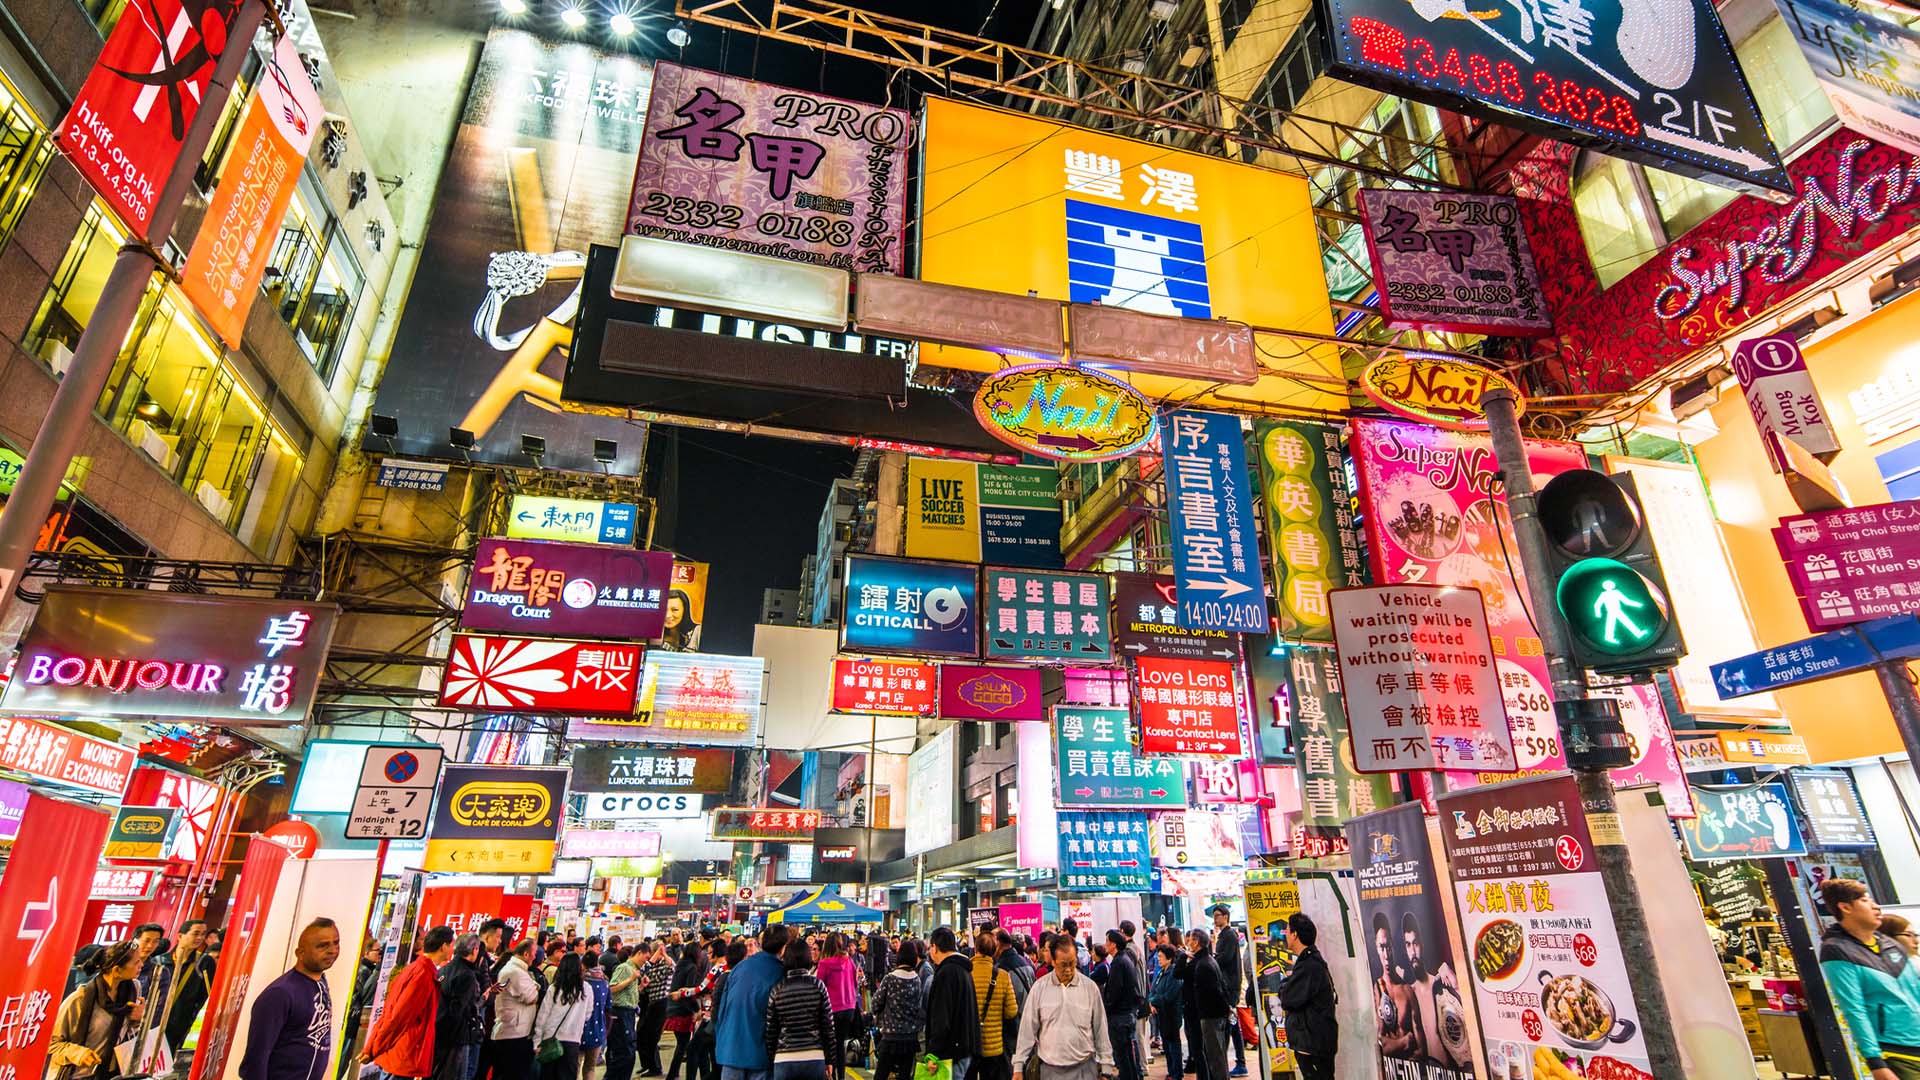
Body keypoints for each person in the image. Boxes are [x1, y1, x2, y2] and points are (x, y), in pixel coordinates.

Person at [1819, 878, 1920, 1080]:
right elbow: (1854, 1009)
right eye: (1865, 900)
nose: (1875, 906)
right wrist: (1875, 1061)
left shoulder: (1890, 944)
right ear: (1845, 907)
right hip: (1896, 1052)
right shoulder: (1837, 951)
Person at [241, 918, 341, 1080]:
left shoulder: (321, 983)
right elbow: (256, 1058)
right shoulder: (280, 994)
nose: (332, 950)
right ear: (300, 953)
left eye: (336, 943)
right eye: (322, 945)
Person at [1009, 935, 1113, 1080]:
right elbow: (1027, 1030)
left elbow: (1100, 1029)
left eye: (1072, 963)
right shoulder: (1039, 988)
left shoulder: (1090, 988)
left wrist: (1107, 1067)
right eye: (1063, 964)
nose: (1069, 970)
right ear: (1053, 960)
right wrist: (1018, 1066)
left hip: (1085, 1070)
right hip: (1050, 1070)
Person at [362, 925, 454, 1080]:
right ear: (443, 946)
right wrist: (373, 1047)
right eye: (451, 945)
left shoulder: (419, 969)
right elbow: (398, 1017)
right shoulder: (422, 974)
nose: (452, 949)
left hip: (405, 1053)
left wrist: (374, 1046)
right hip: (405, 1054)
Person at [49, 939, 147, 1080]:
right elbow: (52, 1044)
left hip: (114, 1073)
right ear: (117, 970)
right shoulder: (80, 1000)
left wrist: (137, 1020)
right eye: (136, 962)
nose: (141, 965)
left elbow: (127, 1034)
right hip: (78, 1075)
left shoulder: (133, 990)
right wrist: (78, 1053)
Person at [715, 924, 792, 1080]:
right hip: (760, 1055)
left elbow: (721, 1009)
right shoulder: (781, 973)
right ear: (784, 948)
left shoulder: (739, 967)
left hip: (730, 1050)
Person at [763, 937, 836, 1080]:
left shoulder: (777, 989)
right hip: (814, 1056)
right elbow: (828, 1027)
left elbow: (771, 1031)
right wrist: (830, 1059)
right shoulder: (818, 986)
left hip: (784, 1058)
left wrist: (774, 1056)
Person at [1276, 914, 1337, 1080]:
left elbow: (1288, 998)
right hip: (1312, 1043)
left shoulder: (1309, 965)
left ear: (1295, 934)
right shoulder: (1308, 963)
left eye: (1287, 930)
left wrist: (1284, 987)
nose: (1285, 934)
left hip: (1313, 1045)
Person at [1399, 913, 1461, 1069]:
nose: (1412, 951)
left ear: (1422, 944)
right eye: (1408, 945)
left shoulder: (1441, 984)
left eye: (1415, 944)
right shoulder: (1410, 992)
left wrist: (1455, 982)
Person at [151, 918, 219, 1053]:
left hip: (181, 1024)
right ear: (180, 936)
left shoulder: (204, 962)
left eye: (203, 934)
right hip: (154, 1022)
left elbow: (205, 997)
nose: (200, 938)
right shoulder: (159, 961)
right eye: (196, 933)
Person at [926, 927, 982, 1080]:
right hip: (965, 1048)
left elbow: (941, 1017)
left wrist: (933, 1053)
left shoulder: (946, 973)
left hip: (950, 1054)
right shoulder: (964, 970)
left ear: (935, 947)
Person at [536, 954, 596, 1080]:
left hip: (550, 1040)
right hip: (573, 1041)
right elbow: (588, 1014)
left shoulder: (555, 988)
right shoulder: (586, 989)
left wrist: (536, 1041)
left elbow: (543, 1015)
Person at [873, 941, 926, 1080]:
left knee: (881, 1075)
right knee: (904, 1075)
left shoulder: (890, 978)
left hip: (891, 1037)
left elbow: (875, 1003)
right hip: (910, 1038)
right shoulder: (917, 979)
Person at [491, 939, 543, 1080]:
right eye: (533, 953)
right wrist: (535, 987)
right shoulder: (515, 971)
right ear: (526, 954)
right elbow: (532, 997)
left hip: (516, 1030)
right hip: (513, 1032)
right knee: (512, 1072)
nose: (535, 957)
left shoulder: (517, 970)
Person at [436, 934, 487, 1080]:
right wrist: (482, 999)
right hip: (457, 1038)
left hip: (439, 1033)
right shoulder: (467, 975)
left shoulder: (444, 970)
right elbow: (460, 1010)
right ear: (474, 950)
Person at [1366, 914, 1417, 1058]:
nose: (1386, 954)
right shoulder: (1377, 989)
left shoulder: (1407, 990)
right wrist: (1404, 1042)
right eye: (1381, 947)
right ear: (1376, 948)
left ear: (1393, 946)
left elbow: (1422, 1050)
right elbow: (1380, 1046)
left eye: (1388, 947)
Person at [972, 931, 1020, 1080]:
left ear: (975, 948)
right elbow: (1011, 1012)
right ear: (994, 950)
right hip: (994, 1047)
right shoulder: (1002, 976)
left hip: (970, 1045)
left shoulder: (965, 973)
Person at [1181, 930, 1228, 1080]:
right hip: (1213, 1014)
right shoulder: (1208, 961)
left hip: (1210, 1015)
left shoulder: (1203, 964)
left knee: (1215, 1057)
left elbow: (1214, 991)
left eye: (1191, 940)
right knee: (1214, 1055)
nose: (1188, 943)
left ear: (1196, 942)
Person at [814, 933, 861, 1080]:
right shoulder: (849, 961)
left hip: (831, 1009)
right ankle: (841, 1076)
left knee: (828, 1044)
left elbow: (819, 987)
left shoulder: (824, 964)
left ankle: (830, 1074)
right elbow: (855, 983)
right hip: (849, 1008)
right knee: (840, 1044)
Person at [666, 937, 713, 1080]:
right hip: (683, 1011)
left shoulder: (681, 964)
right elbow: (690, 992)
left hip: (673, 1009)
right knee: (685, 1046)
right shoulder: (692, 967)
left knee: (683, 1045)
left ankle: (673, 1074)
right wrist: (696, 1010)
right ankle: (673, 1074)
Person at [1096, 932, 1141, 1080]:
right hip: (1126, 1014)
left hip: (1121, 1017)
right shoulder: (1124, 959)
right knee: (1127, 1054)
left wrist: (1107, 1009)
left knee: (1124, 1055)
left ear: (1114, 944)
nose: (1105, 944)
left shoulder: (1119, 962)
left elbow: (1115, 991)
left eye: (1107, 941)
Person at [1207, 909, 1243, 1078]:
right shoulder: (1224, 935)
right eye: (1213, 916)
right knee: (1233, 1024)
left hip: (1229, 987)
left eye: (1217, 916)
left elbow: (1225, 958)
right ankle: (1239, 1062)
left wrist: (1212, 960)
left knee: (1231, 1025)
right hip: (1228, 985)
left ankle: (1239, 1063)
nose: (1215, 919)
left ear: (1226, 917)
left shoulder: (1229, 936)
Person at [342, 939, 385, 1077]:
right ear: (367, 952)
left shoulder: (370, 970)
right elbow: (363, 997)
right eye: (377, 950)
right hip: (354, 1022)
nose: (380, 953)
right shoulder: (365, 971)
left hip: (356, 1023)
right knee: (344, 1059)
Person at [636, 940, 676, 1077]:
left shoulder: (664, 964)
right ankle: (648, 1065)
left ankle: (655, 1068)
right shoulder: (652, 966)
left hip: (661, 1003)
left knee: (652, 1037)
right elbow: (643, 972)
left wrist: (663, 954)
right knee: (644, 1035)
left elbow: (672, 967)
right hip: (652, 1004)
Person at [1149, 944, 1185, 1080]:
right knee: (1167, 1044)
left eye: (1161, 957)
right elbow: (1153, 991)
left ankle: (1177, 1073)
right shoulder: (1160, 972)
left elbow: (1169, 995)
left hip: (1172, 1013)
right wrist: (1151, 1002)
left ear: (1169, 959)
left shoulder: (1174, 974)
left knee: (1173, 1044)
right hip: (1161, 1013)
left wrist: (1154, 1001)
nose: (1158, 959)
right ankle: (1171, 1071)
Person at [608, 946, 643, 1080]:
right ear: (639, 953)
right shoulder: (624, 968)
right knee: (623, 1052)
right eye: (645, 958)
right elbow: (612, 988)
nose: (645, 961)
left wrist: (640, 987)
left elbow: (627, 993)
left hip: (629, 1013)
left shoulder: (633, 970)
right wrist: (631, 979)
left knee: (629, 1051)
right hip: (621, 1013)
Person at [582, 952, 612, 1080]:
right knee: (590, 1068)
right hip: (598, 1029)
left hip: (579, 1030)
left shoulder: (581, 982)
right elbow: (609, 1008)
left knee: (576, 1065)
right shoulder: (604, 981)